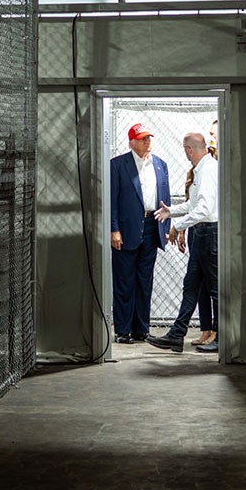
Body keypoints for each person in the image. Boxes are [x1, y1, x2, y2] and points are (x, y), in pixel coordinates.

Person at [147, 131, 219, 353]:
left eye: (185, 150)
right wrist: (172, 212)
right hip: (202, 234)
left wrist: (179, 225)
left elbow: (205, 210)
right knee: (191, 286)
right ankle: (177, 335)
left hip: (208, 234)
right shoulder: (203, 169)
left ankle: (223, 337)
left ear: (189, 150)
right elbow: (194, 205)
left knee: (215, 288)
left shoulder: (207, 170)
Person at [108, 123, 171, 344]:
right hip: (126, 229)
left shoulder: (160, 165)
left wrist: (165, 228)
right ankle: (123, 330)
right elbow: (112, 200)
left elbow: (166, 200)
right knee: (125, 280)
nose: (147, 142)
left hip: (152, 225)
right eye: (142, 138)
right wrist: (113, 229)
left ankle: (141, 329)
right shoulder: (117, 165)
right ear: (131, 141)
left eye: (148, 138)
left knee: (145, 280)